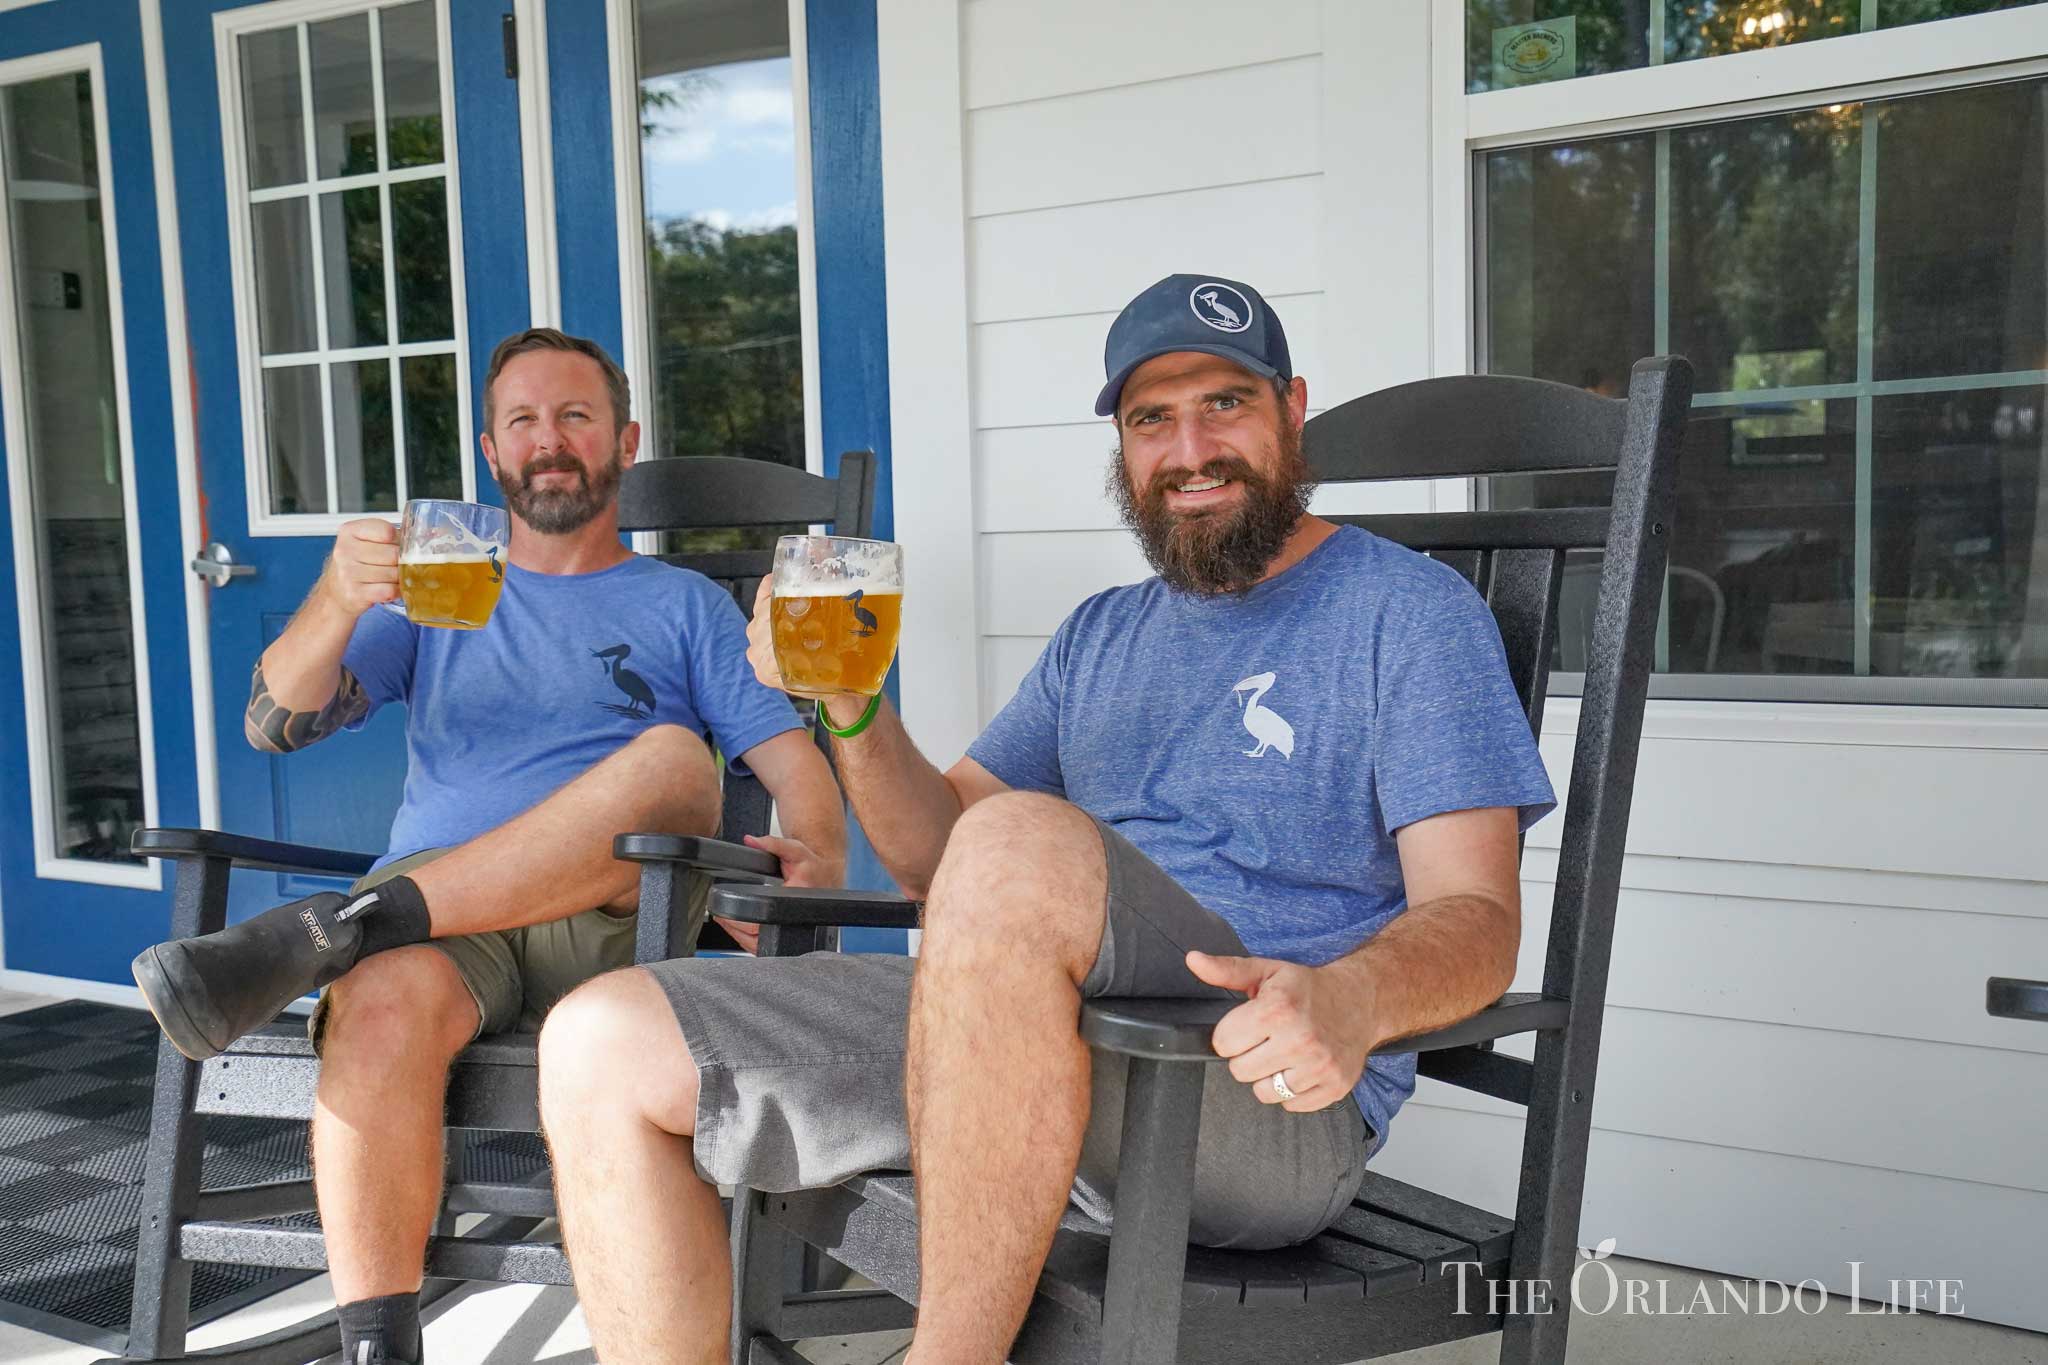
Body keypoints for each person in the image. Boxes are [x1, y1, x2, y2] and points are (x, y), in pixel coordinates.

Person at [536, 276, 1556, 1364]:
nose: (1189, 447)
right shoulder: (1101, 635)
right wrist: (854, 707)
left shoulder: (1406, 612)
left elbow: (1478, 917)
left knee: (1019, 835)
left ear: (1291, 409)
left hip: (1250, 1099)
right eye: (1150, 419)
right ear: (1122, 448)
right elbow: (943, 857)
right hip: (1018, 1047)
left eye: (1225, 404)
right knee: (602, 1040)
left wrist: (1352, 998)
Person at [131, 328, 844, 1365]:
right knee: (376, 1000)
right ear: (491, 449)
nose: (548, 440)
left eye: (574, 416)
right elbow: (273, 722)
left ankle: (341, 926)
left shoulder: (682, 605)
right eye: (523, 420)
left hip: (609, 923)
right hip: (446, 933)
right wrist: (337, 593)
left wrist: (808, 865)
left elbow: (800, 778)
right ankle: (379, 1345)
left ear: (623, 439)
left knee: (675, 763)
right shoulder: (438, 589)